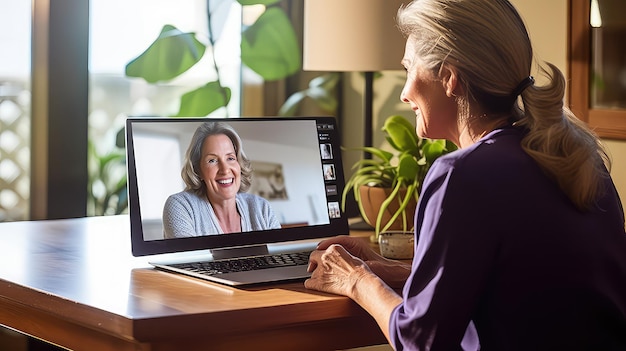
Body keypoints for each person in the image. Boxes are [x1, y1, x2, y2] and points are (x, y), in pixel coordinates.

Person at [304, 0, 626, 350]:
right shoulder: (577, 156)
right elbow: (524, 287)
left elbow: (420, 340)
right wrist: (395, 271)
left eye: (409, 70)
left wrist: (356, 280)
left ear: (449, 77)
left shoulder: (461, 175)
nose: (404, 92)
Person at [163, 122, 281, 238]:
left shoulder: (262, 208)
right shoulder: (181, 206)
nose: (225, 170)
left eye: (230, 158)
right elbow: (190, 257)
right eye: (212, 160)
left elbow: (279, 251)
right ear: (198, 170)